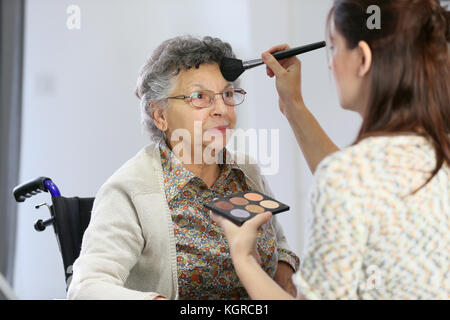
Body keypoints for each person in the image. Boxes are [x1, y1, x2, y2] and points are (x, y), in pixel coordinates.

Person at [212, 0, 450, 299]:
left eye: (334, 47)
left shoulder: (347, 178)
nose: (329, 62)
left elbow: (351, 185)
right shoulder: (435, 152)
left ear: (362, 58)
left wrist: (244, 258)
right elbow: (366, 192)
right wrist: (292, 105)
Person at [67, 35, 299, 300]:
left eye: (227, 94)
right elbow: (86, 287)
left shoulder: (245, 171)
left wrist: (285, 267)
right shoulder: (129, 190)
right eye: (200, 97)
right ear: (160, 116)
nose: (221, 109)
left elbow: (278, 242)